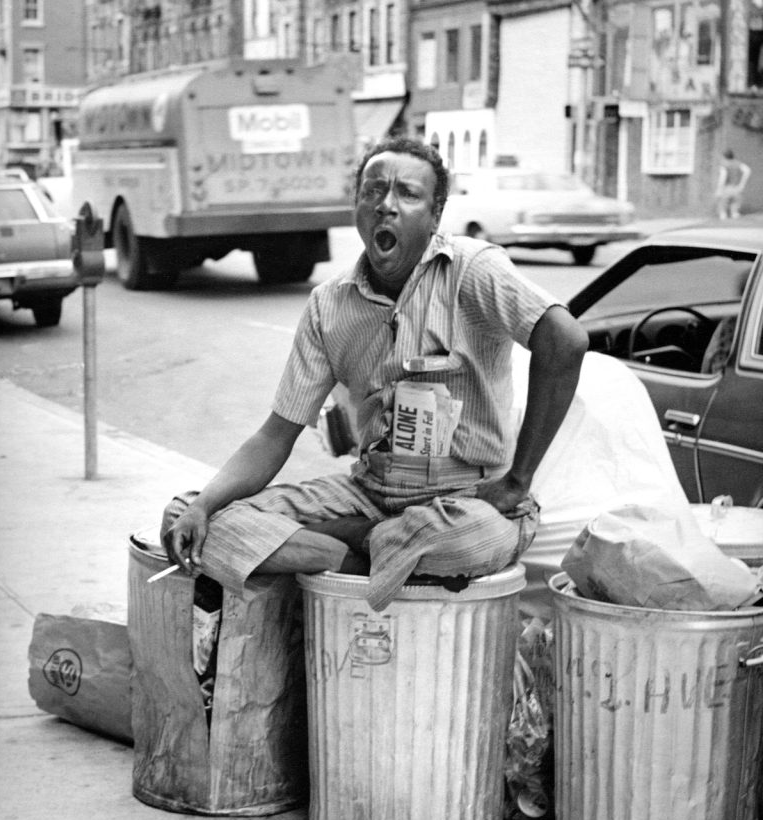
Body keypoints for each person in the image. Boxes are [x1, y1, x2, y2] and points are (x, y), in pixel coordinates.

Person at [161, 137, 588, 612]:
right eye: (373, 191)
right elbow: (275, 436)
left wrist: (517, 481)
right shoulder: (329, 304)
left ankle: (344, 545)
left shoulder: (473, 270)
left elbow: (565, 342)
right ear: (357, 205)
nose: (386, 205)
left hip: (466, 500)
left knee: (472, 539)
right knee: (190, 516)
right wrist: (204, 507)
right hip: (368, 493)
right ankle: (355, 550)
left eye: (407, 194)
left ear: (435, 214)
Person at [715, 149, 751, 220]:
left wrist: (719, 189)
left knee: (723, 207)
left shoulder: (724, 164)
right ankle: (734, 216)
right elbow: (747, 170)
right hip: (736, 188)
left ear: (724, 157)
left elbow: (723, 176)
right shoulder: (737, 163)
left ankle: (724, 219)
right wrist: (742, 184)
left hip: (727, 188)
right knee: (735, 208)